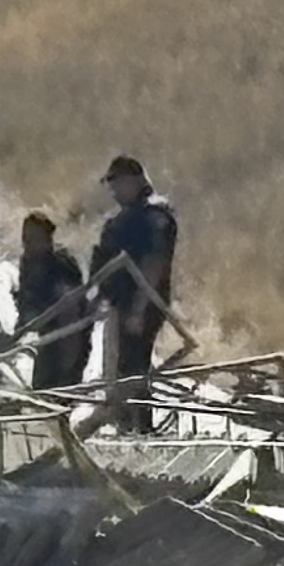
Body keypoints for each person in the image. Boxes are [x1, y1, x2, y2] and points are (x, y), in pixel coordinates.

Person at [89, 155, 181, 431]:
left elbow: (154, 264)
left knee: (133, 369)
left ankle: (139, 428)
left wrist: (139, 310)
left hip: (142, 305)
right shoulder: (128, 216)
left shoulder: (154, 216)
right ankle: (126, 424)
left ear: (133, 181)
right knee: (121, 368)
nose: (114, 192)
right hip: (121, 304)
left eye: (116, 185)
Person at [11, 212, 90, 393]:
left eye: (34, 238)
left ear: (48, 240)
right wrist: (20, 328)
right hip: (47, 335)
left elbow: (70, 311)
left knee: (62, 388)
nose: (28, 244)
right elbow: (27, 299)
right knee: (41, 386)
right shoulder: (28, 263)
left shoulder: (62, 266)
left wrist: (69, 362)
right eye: (25, 238)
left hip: (68, 336)